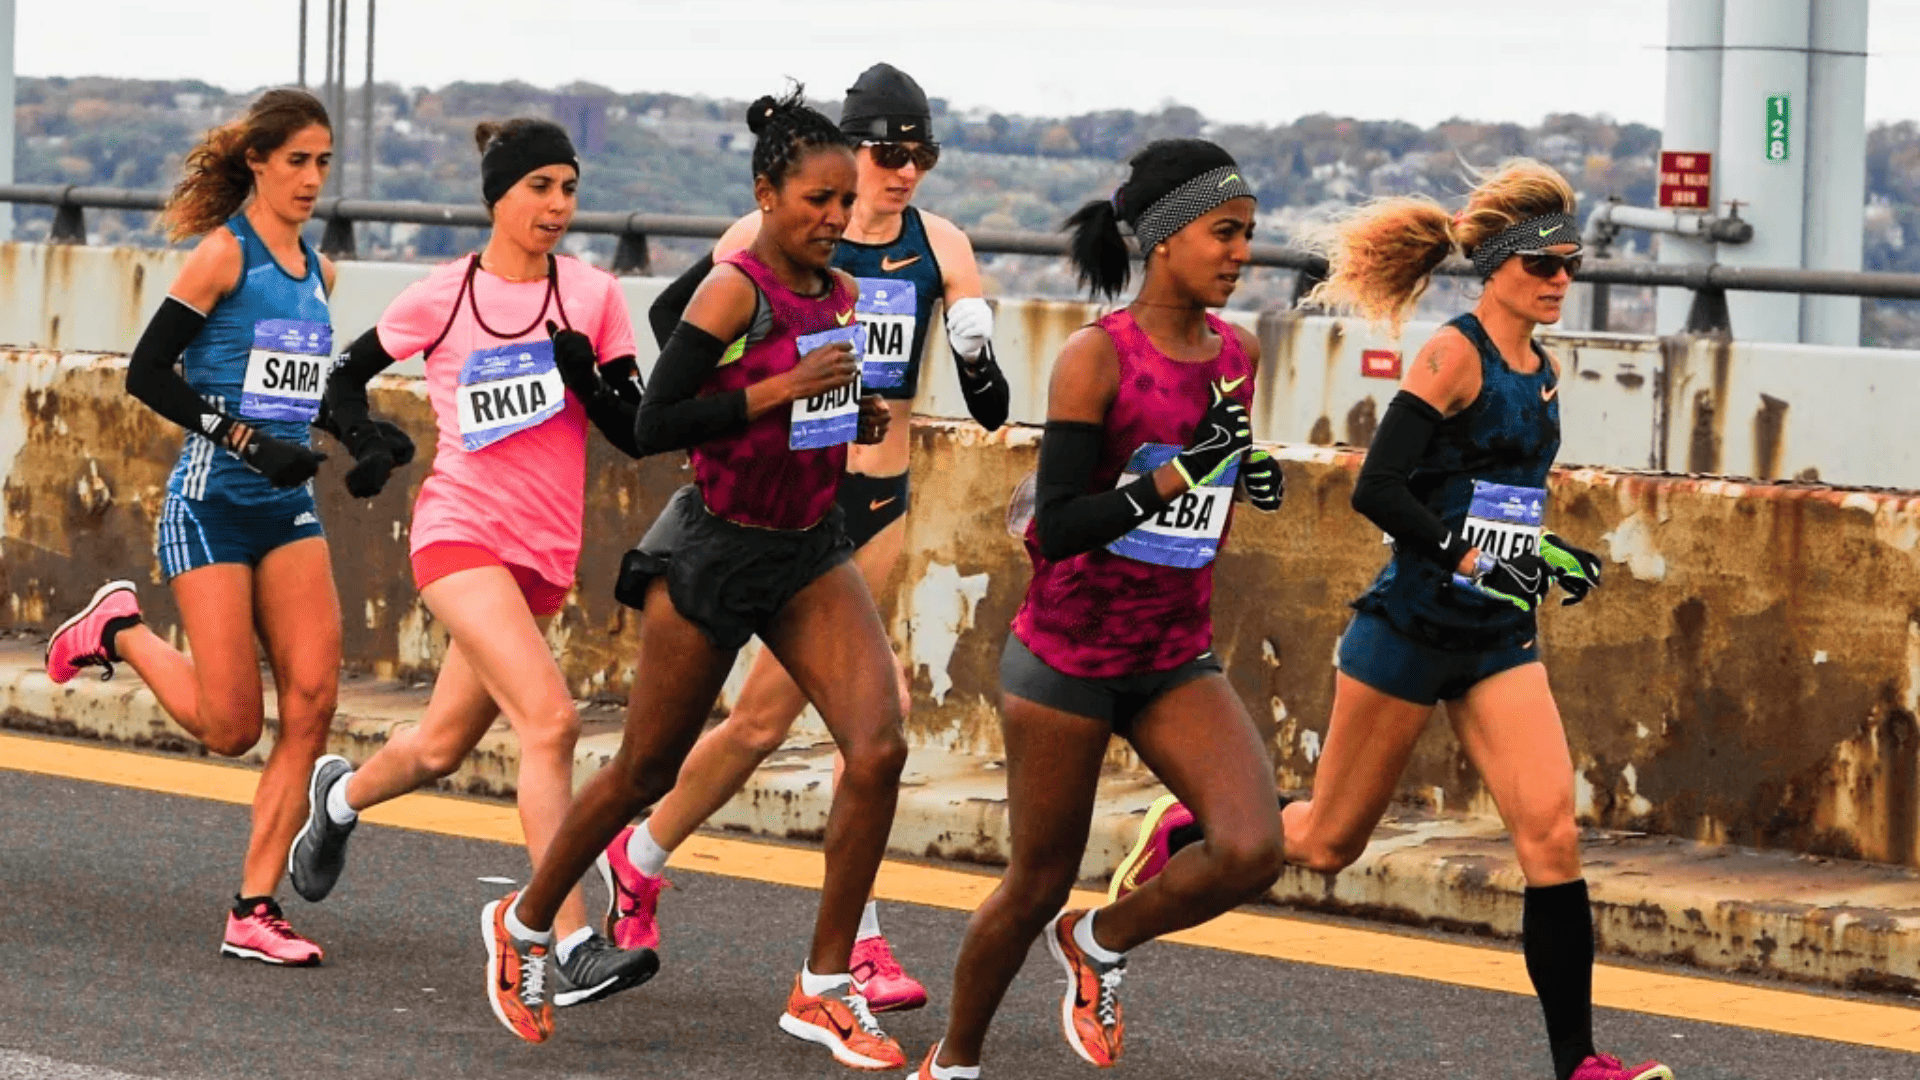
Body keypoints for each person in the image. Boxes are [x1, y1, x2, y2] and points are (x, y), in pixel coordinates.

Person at [1110, 160, 1671, 1080]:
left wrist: (1546, 552)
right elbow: (1380, 488)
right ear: (1496, 266)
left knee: (1553, 838)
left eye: (1571, 264)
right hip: (1409, 629)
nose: (1561, 279)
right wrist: (1473, 559)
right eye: (1542, 264)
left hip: (1497, 637)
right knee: (1327, 843)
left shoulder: (1543, 369)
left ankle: (1580, 1065)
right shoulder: (1453, 355)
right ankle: (1190, 825)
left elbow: (1495, 498)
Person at [480, 88, 911, 1070]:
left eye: (845, 201)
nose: (835, 218)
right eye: (817, 200)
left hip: (808, 548)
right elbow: (653, 426)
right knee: (645, 770)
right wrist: (780, 389)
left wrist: (849, 417)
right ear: (766, 195)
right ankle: (527, 920)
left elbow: (804, 419)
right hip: (713, 550)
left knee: (878, 748)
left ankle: (825, 987)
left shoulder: (842, 294)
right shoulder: (732, 290)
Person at [606, 61, 1008, 1013]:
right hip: (783, 502)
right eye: (888, 154)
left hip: (876, 500)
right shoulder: (771, 237)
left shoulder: (939, 244)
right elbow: (672, 323)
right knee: (807, 720)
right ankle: (814, 930)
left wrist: (978, 352)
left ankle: (648, 858)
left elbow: (987, 395)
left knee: (829, 722)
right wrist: (752, 397)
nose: (904, 173)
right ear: (848, 151)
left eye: (921, 155)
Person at [911, 139, 1288, 1080]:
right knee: (1036, 882)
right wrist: (1181, 474)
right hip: (1069, 659)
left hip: (1173, 654)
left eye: (1248, 234)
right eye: (1225, 233)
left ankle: (1101, 940)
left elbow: (1214, 466)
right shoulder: (1097, 358)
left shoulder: (1237, 354)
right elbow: (1061, 526)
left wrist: (1245, 470)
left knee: (1252, 850)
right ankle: (952, 1062)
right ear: (1165, 239)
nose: (1242, 253)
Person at [284, 118, 657, 1008]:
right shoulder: (445, 296)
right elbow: (342, 378)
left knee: (441, 746)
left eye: (569, 189)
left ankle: (338, 800)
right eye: (540, 188)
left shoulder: (594, 296)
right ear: (499, 197)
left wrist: (587, 381)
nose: (558, 206)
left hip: (541, 557)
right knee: (551, 724)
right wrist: (367, 440)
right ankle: (565, 939)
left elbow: (639, 431)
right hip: (457, 534)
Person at [41, 88, 400, 965]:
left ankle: (254, 909)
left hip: (286, 507)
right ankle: (118, 631)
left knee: (313, 701)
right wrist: (242, 439)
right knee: (231, 727)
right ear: (257, 163)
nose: (312, 178)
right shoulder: (223, 256)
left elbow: (300, 389)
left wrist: (360, 435)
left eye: (322, 163)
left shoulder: (316, 272)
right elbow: (147, 373)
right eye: (297, 161)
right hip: (211, 506)